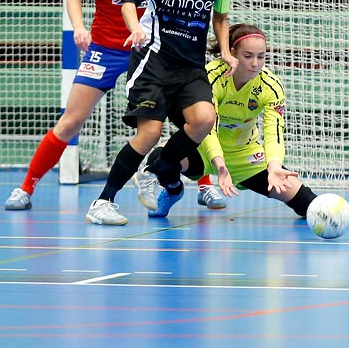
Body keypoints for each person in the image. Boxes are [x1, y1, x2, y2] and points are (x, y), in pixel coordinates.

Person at [5, 0, 158, 210]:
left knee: (181, 117)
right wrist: (78, 27)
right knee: (70, 121)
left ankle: (202, 185)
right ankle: (26, 187)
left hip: (146, 50)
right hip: (104, 48)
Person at [85, 0, 234, 226]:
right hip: (154, 59)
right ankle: (103, 202)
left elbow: (220, 16)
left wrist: (224, 50)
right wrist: (135, 27)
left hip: (190, 65)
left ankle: (153, 170)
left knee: (204, 119)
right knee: (150, 131)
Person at [135, 24, 325, 221]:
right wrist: (220, 164)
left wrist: (274, 165)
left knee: (309, 206)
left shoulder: (271, 87)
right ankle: (173, 190)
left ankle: (332, 205)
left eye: (261, 56)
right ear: (232, 53)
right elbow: (208, 128)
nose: (255, 63)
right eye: (248, 55)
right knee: (160, 158)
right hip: (202, 149)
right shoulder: (211, 76)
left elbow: (273, 131)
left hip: (245, 155)